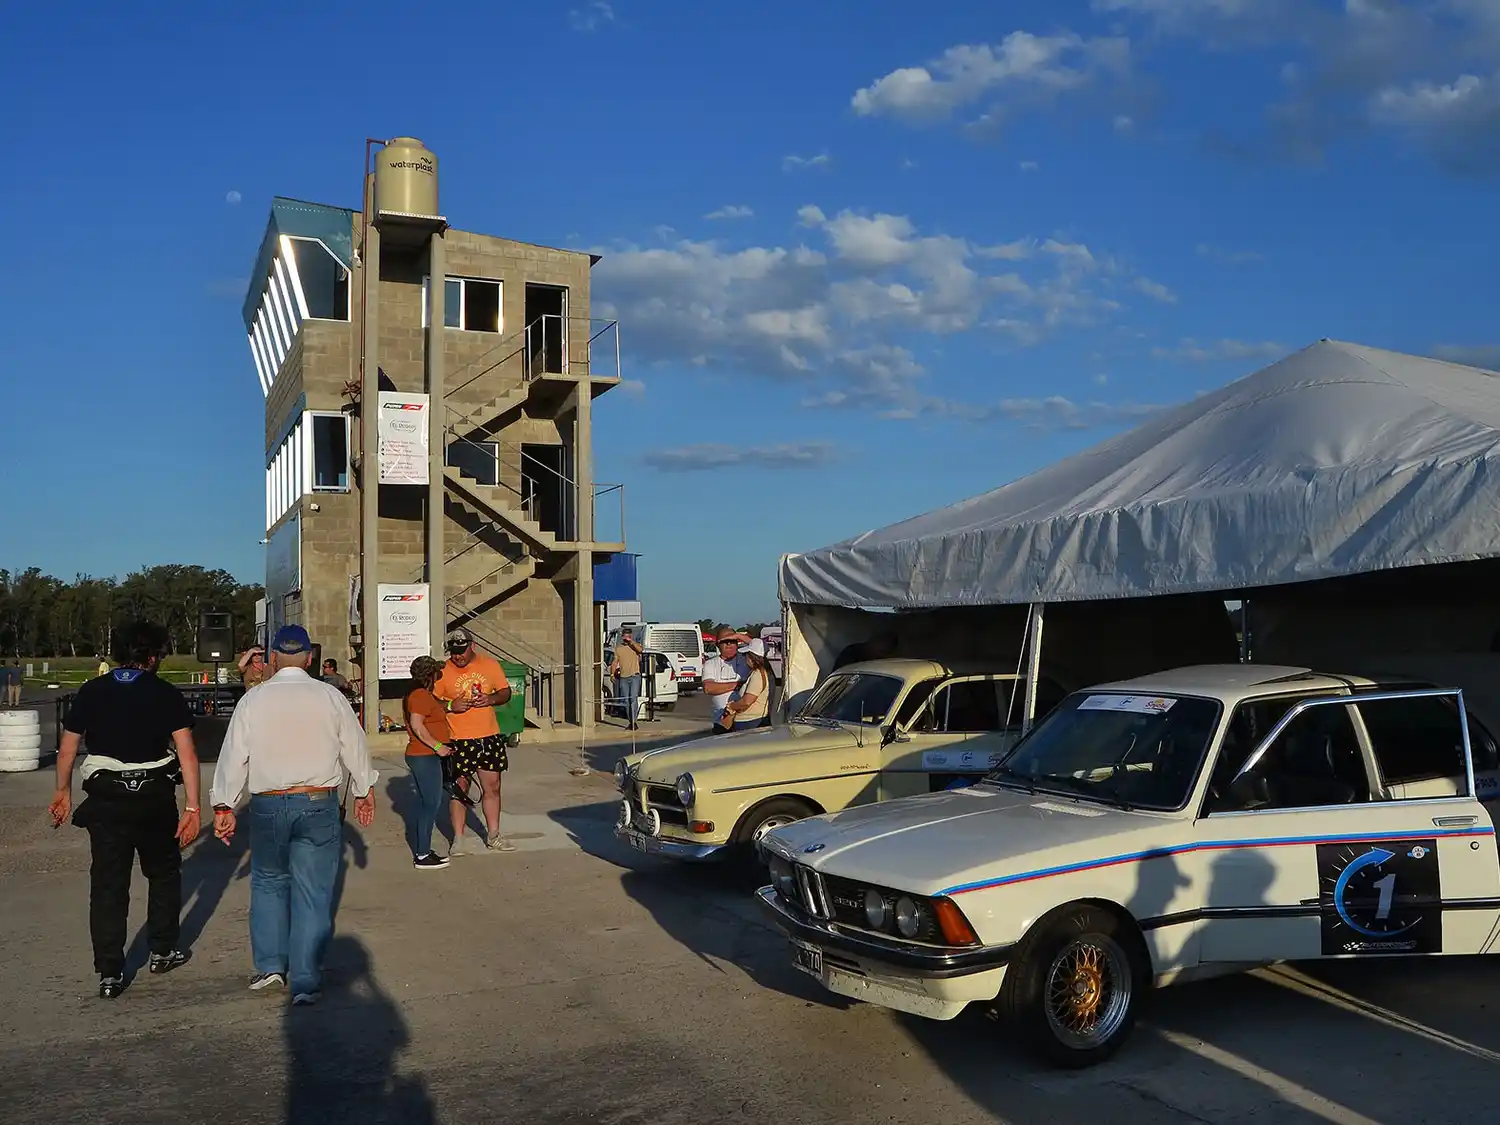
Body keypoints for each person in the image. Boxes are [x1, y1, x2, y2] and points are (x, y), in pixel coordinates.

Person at [208, 624, 377, 1006]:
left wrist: (224, 805)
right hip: (317, 801)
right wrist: (364, 789)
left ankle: (270, 967)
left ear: (272, 658)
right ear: (310, 658)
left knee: (268, 882)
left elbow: (233, 755)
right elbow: (355, 745)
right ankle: (305, 979)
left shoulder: (254, 700)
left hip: (268, 803)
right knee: (313, 892)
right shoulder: (330, 696)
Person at [46, 621, 201, 999]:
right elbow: (187, 753)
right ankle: (162, 950)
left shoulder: (92, 690)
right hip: (154, 797)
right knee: (163, 873)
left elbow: (67, 749)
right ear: (153, 656)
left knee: (108, 884)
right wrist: (193, 806)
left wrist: (62, 791)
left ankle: (110, 972)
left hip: (107, 799)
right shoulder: (165, 693)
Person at [435, 628, 514, 854]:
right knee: (459, 789)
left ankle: (494, 835)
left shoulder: (490, 665)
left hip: (488, 737)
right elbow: (430, 702)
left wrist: (491, 699)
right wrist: (450, 705)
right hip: (457, 739)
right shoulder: (442, 671)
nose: (457, 656)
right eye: (453, 651)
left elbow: (505, 692)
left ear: (472, 646)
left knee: (493, 787)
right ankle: (459, 839)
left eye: (461, 651)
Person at [402, 656, 452, 870]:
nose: (439, 676)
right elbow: (417, 725)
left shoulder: (421, 694)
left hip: (426, 755)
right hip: (424, 755)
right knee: (430, 804)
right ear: (429, 675)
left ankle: (424, 850)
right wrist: (438, 746)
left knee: (428, 803)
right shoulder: (420, 695)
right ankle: (422, 855)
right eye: (436, 673)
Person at [703, 626, 749, 734]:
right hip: (721, 722)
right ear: (717, 645)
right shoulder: (710, 663)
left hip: (744, 720)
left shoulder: (746, 660)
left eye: (732, 640)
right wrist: (738, 685)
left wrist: (739, 636)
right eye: (725, 641)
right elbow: (708, 688)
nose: (729, 644)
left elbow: (762, 648)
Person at [722, 639, 772, 731]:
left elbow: (747, 701)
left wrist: (732, 706)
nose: (745, 658)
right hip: (751, 721)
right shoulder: (758, 673)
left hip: (750, 722)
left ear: (751, 657)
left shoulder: (757, 675)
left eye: (746, 655)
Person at [609, 633, 644, 730]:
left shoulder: (635, 646)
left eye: (628, 637)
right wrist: (612, 674)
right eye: (625, 637)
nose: (626, 639)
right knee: (626, 700)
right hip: (624, 677)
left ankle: (634, 722)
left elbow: (641, 650)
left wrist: (631, 641)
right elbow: (615, 661)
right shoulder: (618, 649)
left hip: (635, 676)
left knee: (633, 699)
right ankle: (631, 721)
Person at [832, 630, 898, 670]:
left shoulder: (885, 665)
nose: (881, 656)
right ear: (874, 640)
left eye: (886, 652)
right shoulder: (851, 653)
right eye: (881, 652)